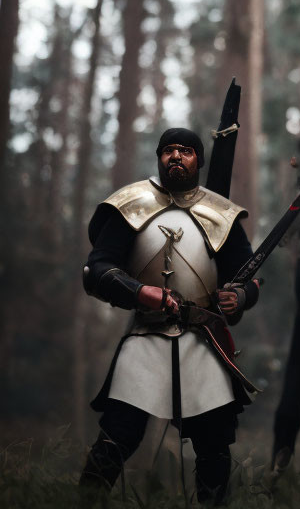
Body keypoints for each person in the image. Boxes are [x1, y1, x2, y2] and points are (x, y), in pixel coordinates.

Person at [79, 127, 261, 505]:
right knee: (116, 438)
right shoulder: (130, 204)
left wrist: (239, 296)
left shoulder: (221, 214)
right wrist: (139, 291)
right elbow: (96, 270)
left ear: (199, 159)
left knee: (214, 448)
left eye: (187, 150)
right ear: (159, 157)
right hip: (146, 338)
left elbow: (247, 275)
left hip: (203, 342)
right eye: (169, 150)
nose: (176, 156)